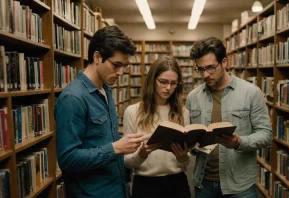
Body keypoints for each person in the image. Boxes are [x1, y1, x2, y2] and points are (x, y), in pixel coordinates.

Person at [55, 25, 148, 198]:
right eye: (116, 65)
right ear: (97, 57)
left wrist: (127, 144)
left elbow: (99, 140)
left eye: (125, 66)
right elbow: (67, 159)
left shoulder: (106, 88)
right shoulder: (73, 98)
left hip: (117, 188)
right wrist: (116, 148)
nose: (120, 72)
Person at [186, 37, 273, 198]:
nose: (205, 74)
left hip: (240, 186)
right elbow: (191, 137)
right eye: (200, 69)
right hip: (203, 182)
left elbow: (266, 135)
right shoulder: (193, 97)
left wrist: (239, 142)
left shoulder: (251, 93)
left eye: (211, 68)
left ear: (224, 62)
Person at [123, 56, 192, 198]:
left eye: (174, 83)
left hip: (177, 183)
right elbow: (127, 162)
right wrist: (141, 154)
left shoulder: (183, 113)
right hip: (145, 185)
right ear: (152, 80)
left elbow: (186, 162)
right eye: (163, 82)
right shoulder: (133, 111)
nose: (168, 88)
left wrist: (183, 157)